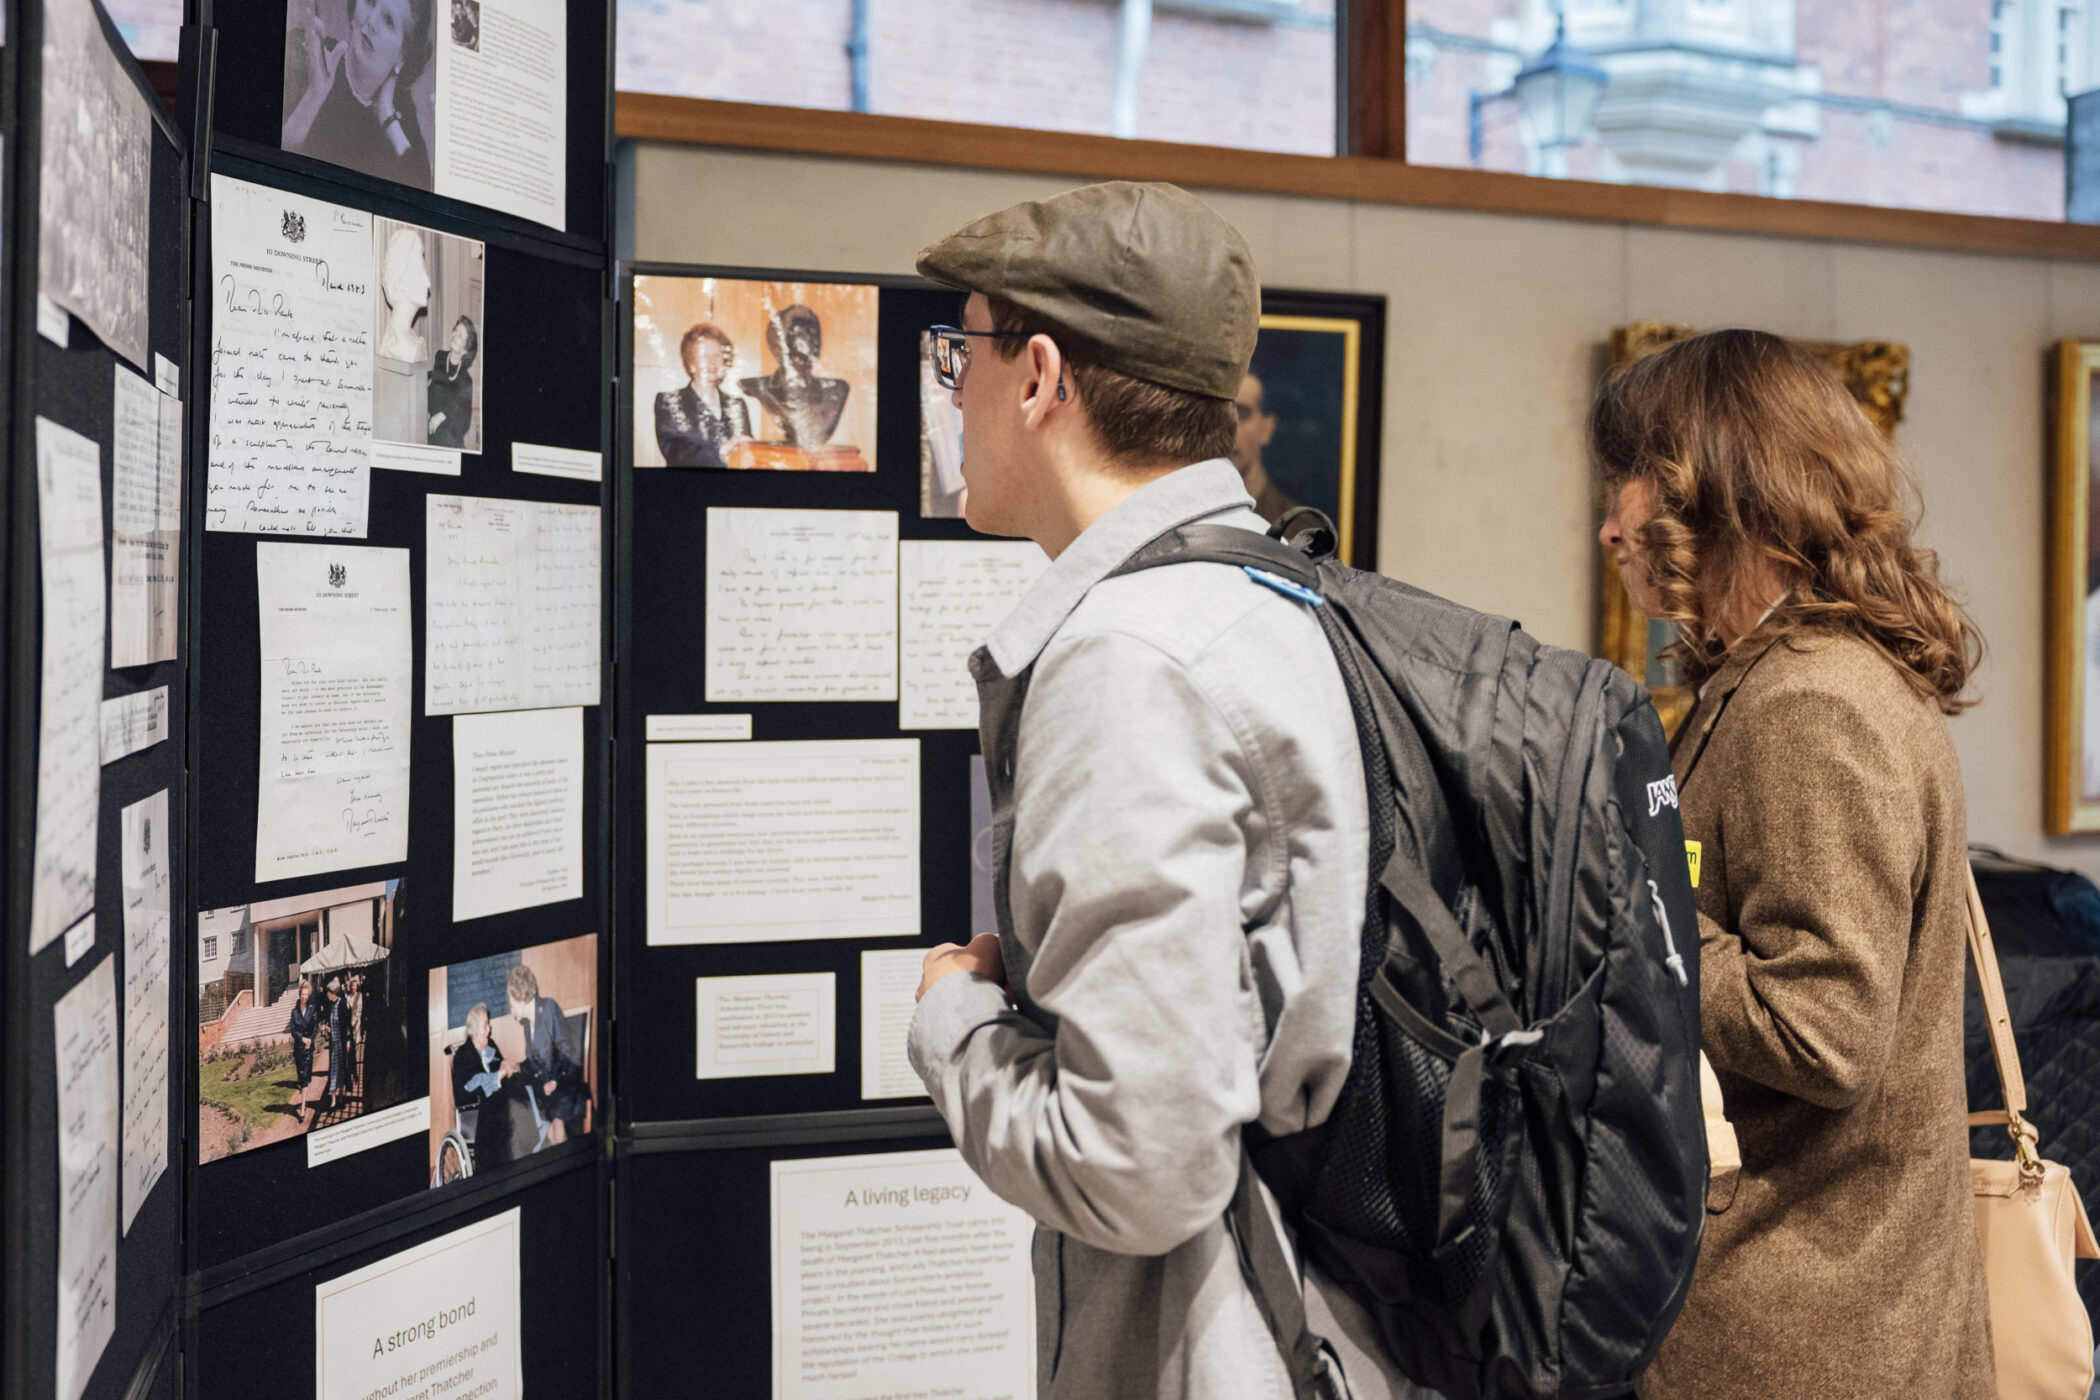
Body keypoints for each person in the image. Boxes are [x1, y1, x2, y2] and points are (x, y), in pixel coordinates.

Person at [906, 182, 1409, 1399]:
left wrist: (950, 1022)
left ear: (1035, 377)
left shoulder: (1128, 660)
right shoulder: (1284, 595)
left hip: (1224, 1348)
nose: (949, 389)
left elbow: (1138, 1165)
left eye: (954, 352)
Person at [1592, 328, 1991, 1400]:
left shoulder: (1810, 700)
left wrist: (1629, 919)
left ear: (1711, 486)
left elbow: (1822, 1029)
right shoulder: (1786, 677)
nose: (1610, 522)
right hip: (1826, 1316)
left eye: (1628, 475)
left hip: (1807, 1330)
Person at [281, 0, 434, 192]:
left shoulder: (402, 115)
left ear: (402, 56)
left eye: (387, 20)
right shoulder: (309, 53)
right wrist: (314, 95)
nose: (371, 22)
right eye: (370, 2)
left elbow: (422, 191)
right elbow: (273, 158)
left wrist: (387, 117)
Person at [506, 963, 587, 1148]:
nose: (512, 1012)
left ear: (521, 998)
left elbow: (566, 1050)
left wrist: (555, 1080)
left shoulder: (549, 1007)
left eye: (512, 1006)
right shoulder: (527, 1024)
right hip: (549, 1084)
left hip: (566, 1078)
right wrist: (518, 1066)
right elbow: (535, 1061)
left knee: (556, 1122)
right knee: (543, 1121)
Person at [654, 323, 753, 467]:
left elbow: (745, 451)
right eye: (704, 356)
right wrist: (720, 452)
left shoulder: (737, 405)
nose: (712, 362)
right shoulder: (669, 402)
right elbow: (675, 453)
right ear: (692, 363)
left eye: (717, 355)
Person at [1228, 371, 1299, 525]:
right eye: (1218, 413)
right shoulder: (1182, 515)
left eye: (1241, 413)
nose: (1227, 427)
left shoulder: (1297, 530)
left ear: (1266, 428)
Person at [427, 314, 478, 448]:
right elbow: (432, 394)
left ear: (466, 349)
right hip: (431, 434)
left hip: (450, 441)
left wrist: (444, 415)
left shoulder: (466, 380)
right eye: (455, 330)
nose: (455, 335)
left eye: (460, 335)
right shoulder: (440, 358)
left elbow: (464, 422)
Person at [285, 979, 322, 1125]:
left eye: (306, 994)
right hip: (298, 1049)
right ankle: (303, 1092)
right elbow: (293, 1029)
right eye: (302, 994)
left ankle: (302, 1108)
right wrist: (302, 1039)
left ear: (308, 995)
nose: (304, 996)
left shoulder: (312, 1010)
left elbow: (315, 1028)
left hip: (308, 1049)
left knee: (305, 1077)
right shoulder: (294, 1012)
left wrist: (310, 1040)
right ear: (299, 995)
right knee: (301, 1077)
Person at [322, 976, 354, 1113]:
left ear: (332, 992)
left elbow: (347, 1025)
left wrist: (348, 1040)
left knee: (342, 1069)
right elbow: (328, 1023)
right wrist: (327, 1028)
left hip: (342, 1043)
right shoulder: (330, 1007)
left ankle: (341, 1097)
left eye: (328, 993)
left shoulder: (342, 1004)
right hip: (333, 1045)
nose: (327, 996)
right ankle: (334, 1100)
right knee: (333, 1071)